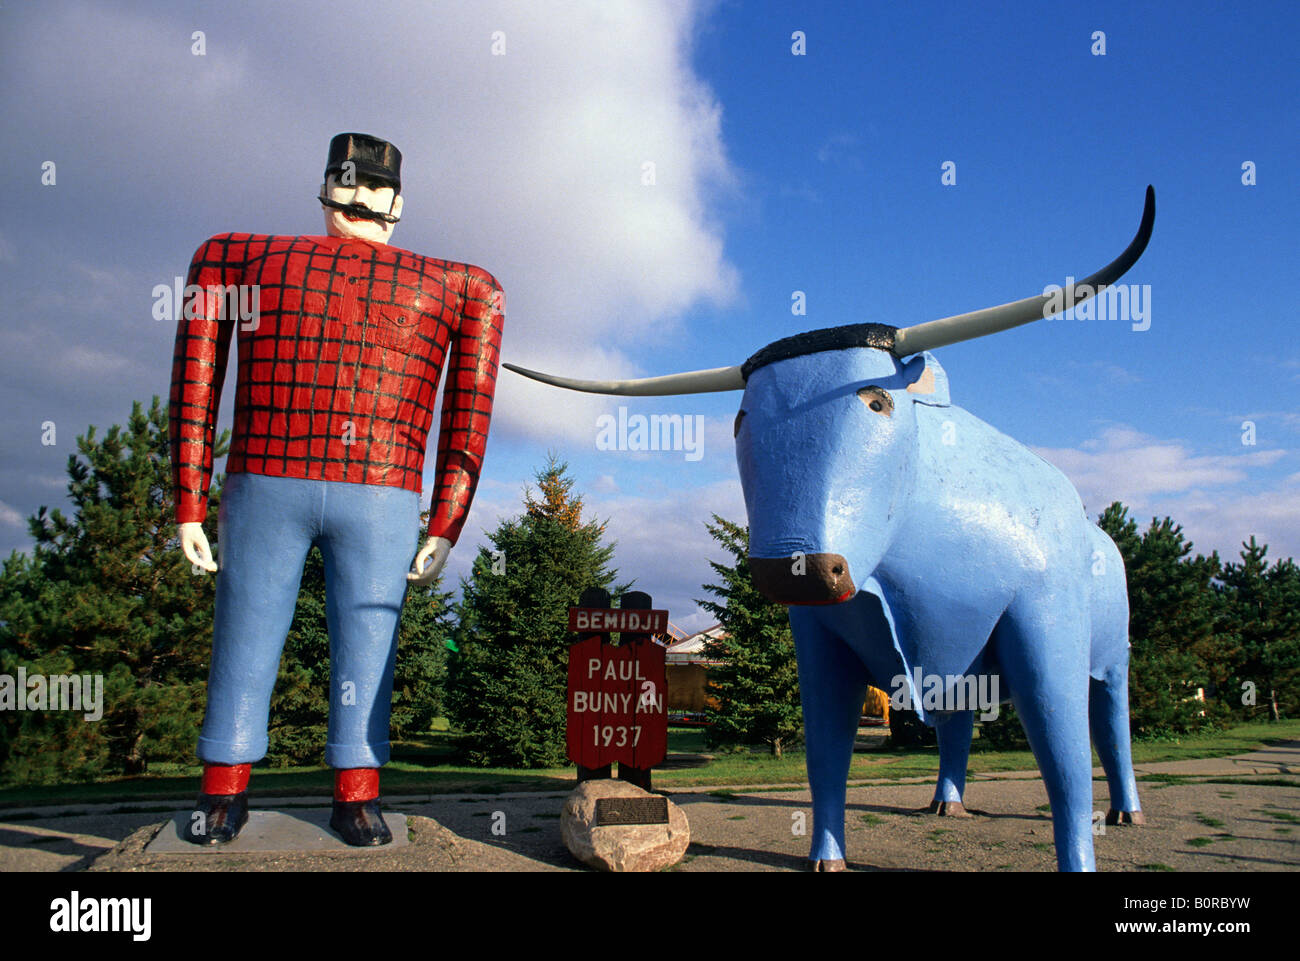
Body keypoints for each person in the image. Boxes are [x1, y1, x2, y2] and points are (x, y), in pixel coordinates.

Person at [170, 132, 504, 845]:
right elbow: (196, 375)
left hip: (363, 486)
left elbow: (469, 409)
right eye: (349, 182)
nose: (359, 198)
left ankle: (349, 791)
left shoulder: (463, 287)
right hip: (282, 479)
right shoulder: (236, 258)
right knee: (254, 631)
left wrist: (446, 521)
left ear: (394, 202)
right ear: (330, 189)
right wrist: (188, 501)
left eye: (371, 186)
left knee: (363, 639)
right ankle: (235, 787)